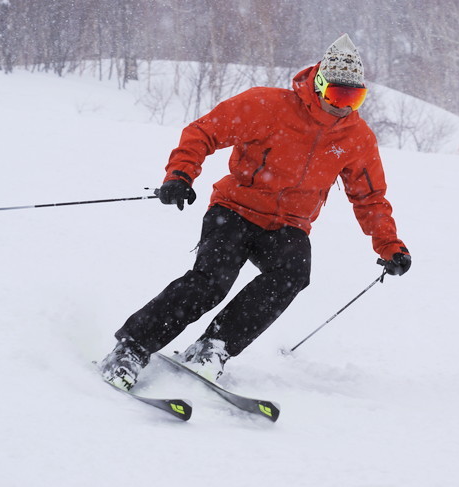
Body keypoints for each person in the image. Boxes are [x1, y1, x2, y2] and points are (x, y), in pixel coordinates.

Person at [99, 34, 411, 389]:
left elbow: (369, 197)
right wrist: (180, 175)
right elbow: (204, 132)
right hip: (234, 210)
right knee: (210, 283)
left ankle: (213, 348)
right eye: (339, 95)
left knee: (293, 274)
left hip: (288, 225)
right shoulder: (267, 106)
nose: (345, 106)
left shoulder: (357, 137)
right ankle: (131, 348)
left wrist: (390, 246)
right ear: (320, 85)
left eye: (355, 98)